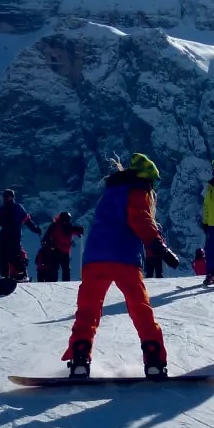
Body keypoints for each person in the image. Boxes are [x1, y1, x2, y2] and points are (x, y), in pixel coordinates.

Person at [65, 154, 180, 379]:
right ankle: (154, 361)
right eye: (153, 182)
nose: (153, 188)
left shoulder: (109, 193)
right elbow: (140, 219)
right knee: (140, 309)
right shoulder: (138, 190)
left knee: (88, 310)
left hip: (94, 258)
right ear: (145, 178)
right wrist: (159, 246)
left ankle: (80, 359)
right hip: (124, 257)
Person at [0, 189, 41, 278]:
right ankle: (5, 276)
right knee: (3, 256)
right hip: (4, 235)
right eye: (4, 196)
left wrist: (34, 228)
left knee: (15, 254)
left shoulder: (17, 208)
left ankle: (20, 273)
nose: (5, 198)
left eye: (7, 196)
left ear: (12, 197)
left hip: (15, 235)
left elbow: (27, 220)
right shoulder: (1, 209)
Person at [37, 211, 84, 281]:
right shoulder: (64, 226)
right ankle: (65, 281)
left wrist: (49, 243)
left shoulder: (56, 225)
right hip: (61, 250)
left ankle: (54, 281)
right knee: (63, 268)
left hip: (57, 249)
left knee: (56, 268)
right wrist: (80, 230)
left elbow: (46, 237)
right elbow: (47, 237)